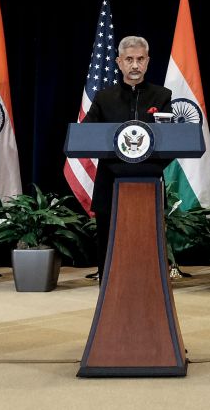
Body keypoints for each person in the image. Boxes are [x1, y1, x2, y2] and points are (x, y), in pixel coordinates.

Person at [82, 36, 173, 270]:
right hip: (110, 182)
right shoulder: (104, 98)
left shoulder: (162, 96)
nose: (135, 65)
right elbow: (86, 135)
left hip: (149, 182)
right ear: (119, 62)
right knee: (109, 248)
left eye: (140, 59)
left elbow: (171, 141)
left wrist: (148, 166)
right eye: (129, 59)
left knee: (147, 248)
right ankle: (108, 301)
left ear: (148, 61)